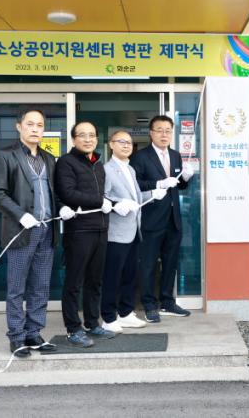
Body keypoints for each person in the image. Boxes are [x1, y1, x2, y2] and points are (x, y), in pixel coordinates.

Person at [0, 109, 59, 357]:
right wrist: (21, 215)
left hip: (47, 230)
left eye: (39, 125)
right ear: (19, 126)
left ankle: (34, 333)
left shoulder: (49, 159)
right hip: (21, 231)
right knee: (17, 287)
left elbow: (54, 193)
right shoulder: (5, 155)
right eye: (30, 124)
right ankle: (17, 337)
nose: (35, 129)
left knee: (41, 285)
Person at [55, 121, 116, 347]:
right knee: (74, 282)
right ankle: (73, 329)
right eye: (82, 135)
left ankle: (92, 323)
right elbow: (68, 193)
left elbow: (102, 196)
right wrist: (101, 201)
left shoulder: (98, 164)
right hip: (79, 231)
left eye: (92, 135)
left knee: (95, 280)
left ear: (97, 139)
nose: (88, 139)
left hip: (100, 228)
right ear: (73, 139)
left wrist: (112, 204)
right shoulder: (66, 162)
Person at [100, 130, 168, 333]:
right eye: (121, 141)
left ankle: (126, 313)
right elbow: (102, 197)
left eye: (129, 142)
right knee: (113, 276)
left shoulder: (130, 169)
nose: (126, 145)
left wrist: (153, 192)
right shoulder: (106, 170)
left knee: (130, 274)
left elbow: (136, 198)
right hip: (116, 232)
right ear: (111, 144)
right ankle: (109, 317)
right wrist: (117, 204)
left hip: (133, 230)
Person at [130, 115, 194, 323]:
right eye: (159, 130)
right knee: (148, 265)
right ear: (151, 133)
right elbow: (136, 184)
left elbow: (178, 185)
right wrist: (158, 184)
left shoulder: (175, 155)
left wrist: (186, 178)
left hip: (173, 220)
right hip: (151, 219)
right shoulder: (141, 157)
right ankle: (149, 305)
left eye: (168, 130)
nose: (164, 134)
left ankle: (167, 302)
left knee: (170, 263)